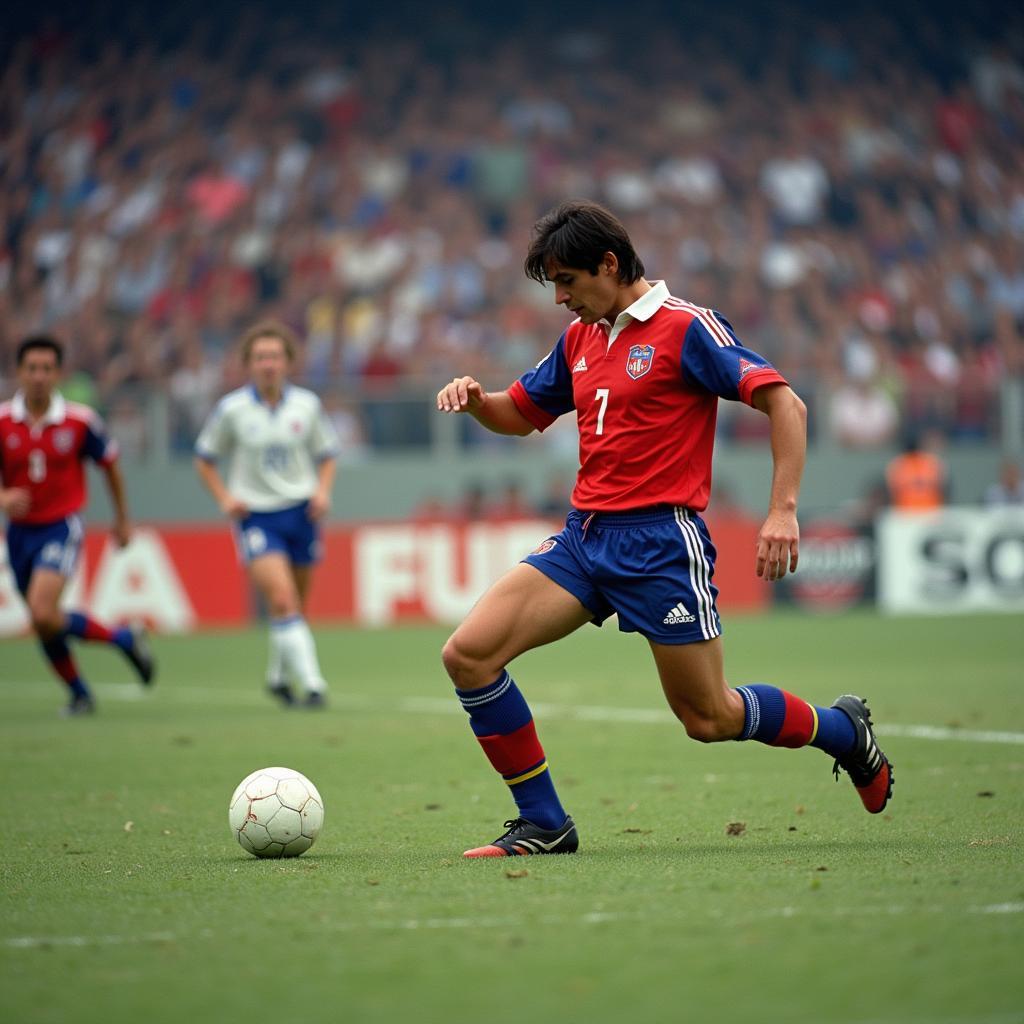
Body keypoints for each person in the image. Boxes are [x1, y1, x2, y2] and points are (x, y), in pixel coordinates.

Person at [436, 200, 893, 858]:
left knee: (708, 719)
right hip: (584, 538)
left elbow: (785, 403)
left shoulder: (687, 328)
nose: (561, 298)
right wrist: (480, 403)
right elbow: (521, 413)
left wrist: (783, 509)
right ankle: (544, 823)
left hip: (659, 546)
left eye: (568, 281)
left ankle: (844, 732)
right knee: (468, 656)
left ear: (609, 264)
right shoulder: (580, 338)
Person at [0, 335, 154, 715]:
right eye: (31, 368)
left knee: (40, 611)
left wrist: (122, 519)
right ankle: (91, 678)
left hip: (61, 525)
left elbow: (110, 467)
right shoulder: (3, 421)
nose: (38, 376)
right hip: (19, 533)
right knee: (46, 623)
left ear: (58, 374)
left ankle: (106, 660)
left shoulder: (80, 421)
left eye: (46, 369)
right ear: (19, 372)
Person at [194, 320, 339, 708]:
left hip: (301, 513)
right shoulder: (232, 410)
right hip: (257, 516)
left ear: (288, 362)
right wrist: (225, 498)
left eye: (274, 356)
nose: (268, 364)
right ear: (248, 364)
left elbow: (327, 454)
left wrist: (323, 492)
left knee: (293, 606)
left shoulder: (306, 405)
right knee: (282, 598)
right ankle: (313, 685)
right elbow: (205, 458)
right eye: (260, 357)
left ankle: (277, 678)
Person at [885, 432, 948, 512]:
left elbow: (891, 492)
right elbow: (943, 489)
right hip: (931, 511)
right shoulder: (933, 462)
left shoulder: (898, 464)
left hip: (906, 512)